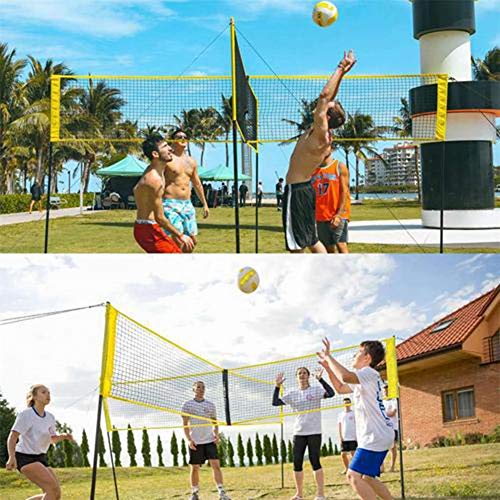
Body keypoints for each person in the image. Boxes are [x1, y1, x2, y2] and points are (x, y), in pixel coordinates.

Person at [283, 50, 356, 253]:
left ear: (326, 117)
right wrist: (343, 75)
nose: (319, 107)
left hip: (296, 191)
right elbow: (329, 97)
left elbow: (325, 95)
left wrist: (341, 67)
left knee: (296, 247)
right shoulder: (322, 134)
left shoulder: (320, 134)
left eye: (325, 108)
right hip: (305, 189)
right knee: (313, 240)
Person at [317, 339, 394, 500]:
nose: (354, 355)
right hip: (380, 434)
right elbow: (340, 388)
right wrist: (328, 368)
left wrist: (329, 357)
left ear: (367, 358)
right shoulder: (363, 378)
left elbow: (345, 376)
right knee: (367, 477)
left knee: (352, 476)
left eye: (358, 352)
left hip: (375, 436)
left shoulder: (369, 373)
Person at [273, 367, 335, 500]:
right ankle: (299, 494)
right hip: (299, 432)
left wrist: (321, 379)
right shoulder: (292, 393)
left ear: (308, 376)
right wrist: (277, 386)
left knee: (315, 461)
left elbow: (331, 393)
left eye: (304, 373)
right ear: (296, 377)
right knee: (297, 462)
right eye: (299, 373)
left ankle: (320, 494)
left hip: (314, 431)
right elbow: (275, 402)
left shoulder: (316, 390)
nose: (302, 375)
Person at [5, 384, 74, 500]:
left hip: (41, 458)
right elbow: (13, 436)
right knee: (52, 489)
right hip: (25, 457)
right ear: (34, 397)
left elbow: (52, 439)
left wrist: (64, 436)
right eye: (43, 392)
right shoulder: (25, 415)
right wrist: (11, 457)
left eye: (49, 392)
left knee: (55, 494)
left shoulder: (50, 417)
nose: (48, 394)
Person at [133, 134, 195, 253]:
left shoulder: (156, 170)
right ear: (155, 154)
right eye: (165, 146)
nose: (170, 149)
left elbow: (137, 189)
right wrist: (180, 235)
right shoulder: (154, 180)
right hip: (147, 229)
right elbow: (160, 217)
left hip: (148, 227)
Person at [182, 381, 231, 500]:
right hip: (196, 441)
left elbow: (215, 422)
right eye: (198, 387)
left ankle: (221, 492)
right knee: (195, 468)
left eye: (203, 387)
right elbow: (185, 424)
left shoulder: (210, 405)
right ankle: (194, 493)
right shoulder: (187, 405)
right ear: (193, 389)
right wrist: (189, 440)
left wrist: (216, 434)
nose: (201, 389)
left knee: (216, 465)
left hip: (209, 440)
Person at [163, 129, 209, 251]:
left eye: (185, 137)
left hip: (187, 204)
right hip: (170, 203)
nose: (183, 138)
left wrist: (205, 204)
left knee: (192, 242)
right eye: (179, 137)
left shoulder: (191, 161)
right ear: (173, 140)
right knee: (179, 240)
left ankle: (184, 264)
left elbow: (197, 183)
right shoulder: (167, 159)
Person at [311, 153, 351, 253]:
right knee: (328, 247)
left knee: (341, 244)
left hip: (338, 214)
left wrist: (339, 214)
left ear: (331, 148)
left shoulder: (339, 166)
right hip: (321, 215)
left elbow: (344, 192)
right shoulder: (312, 169)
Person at [338, 397, 357, 474]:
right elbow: (339, 426)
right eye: (345, 403)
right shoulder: (340, 414)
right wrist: (340, 437)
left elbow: (357, 424)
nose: (347, 404)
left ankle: (355, 470)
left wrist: (357, 436)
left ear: (350, 403)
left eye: (348, 402)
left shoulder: (354, 413)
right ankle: (346, 468)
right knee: (343, 454)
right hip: (344, 437)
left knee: (354, 454)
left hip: (353, 437)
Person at [382, 384, 399, 473]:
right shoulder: (382, 402)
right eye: (384, 391)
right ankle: (382, 468)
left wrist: (382, 414)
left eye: (387, 390)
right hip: (383, 428)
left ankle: (392, 467)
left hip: (392, 427)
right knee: (381, 447)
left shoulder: (394, 400)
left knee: (392, 448)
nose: (386, 392)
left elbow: (392, 413)